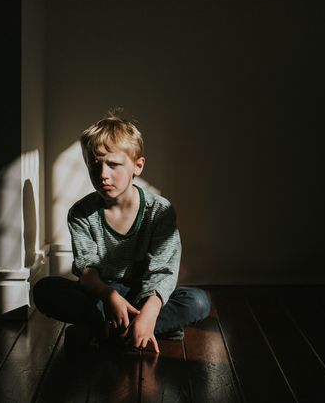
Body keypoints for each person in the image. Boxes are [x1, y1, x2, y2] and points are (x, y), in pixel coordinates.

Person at [33, 109, 211, 355]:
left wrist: (149, 311)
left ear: (137, 166)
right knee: (44, 290)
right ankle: (141, 330)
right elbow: (87, 271)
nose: (103, 175)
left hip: (144, 293)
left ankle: (115, 330)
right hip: (103, 295)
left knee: (198, 302)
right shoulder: (82, 213)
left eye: (113, 165)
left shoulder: (159, 211)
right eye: (95, 166)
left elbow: (163, 271)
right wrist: (110, 296)